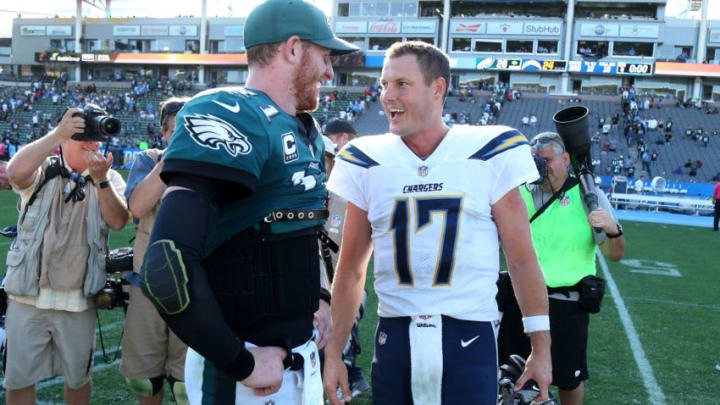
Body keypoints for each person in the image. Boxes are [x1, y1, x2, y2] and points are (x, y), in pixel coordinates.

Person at [133, 1, 358, 404]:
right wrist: (242, 363)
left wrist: (319, 298)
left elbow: (301, 234)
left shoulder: (304, 128)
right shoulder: (232, 113)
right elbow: (167, 264)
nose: (329, 72)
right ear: (292, 49)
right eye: (324, 58)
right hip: (247, 378)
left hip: (298, 361)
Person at [322, 41, 551, 405]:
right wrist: (334, 352)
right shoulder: (366, 160)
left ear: (438, 88)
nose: (387, 95)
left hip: (469, 337)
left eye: (401, 84)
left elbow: (522, 259)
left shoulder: (488, 151)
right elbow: (350, 270)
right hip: (394, 336)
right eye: (383, 84)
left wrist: (541, 346)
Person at [3, 108, 128, 405]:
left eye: (97, 138)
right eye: (83, 137)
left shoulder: (109, 178)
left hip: (78, 300)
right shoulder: (43, 168)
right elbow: (15, 173)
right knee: (18, 379)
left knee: (78, 378)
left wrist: (100, 181)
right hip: (27, 297)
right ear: (66, 138)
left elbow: (118, 220)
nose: (93, 143)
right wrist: (58, 134)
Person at [499, 132, 626, 405]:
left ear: (566, 158)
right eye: (536, 161)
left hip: (566, 306)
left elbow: (615, 254)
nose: (541, 167)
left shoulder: (588, 197)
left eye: (547, 160)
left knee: (569, 379)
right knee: (512, 376)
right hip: (519, 303)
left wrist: (612, 230)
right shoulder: (521, 191)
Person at [120, 98, 190, 405]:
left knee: (187, 386)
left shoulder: (213, 166)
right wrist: (169, 160)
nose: (184, 136)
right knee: (144, 381)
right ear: (163, 134)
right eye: (177, 130)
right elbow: (136, 206)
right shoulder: (149, 160)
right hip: (148, 283)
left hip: (196, 285)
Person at [320, 124, 369, 398]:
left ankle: (349, 366)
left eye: (325, 162)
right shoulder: (292, 198)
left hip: (340, 280)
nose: (319, 168)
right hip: (310, 287)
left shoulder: (345, 200)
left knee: (352, 308)